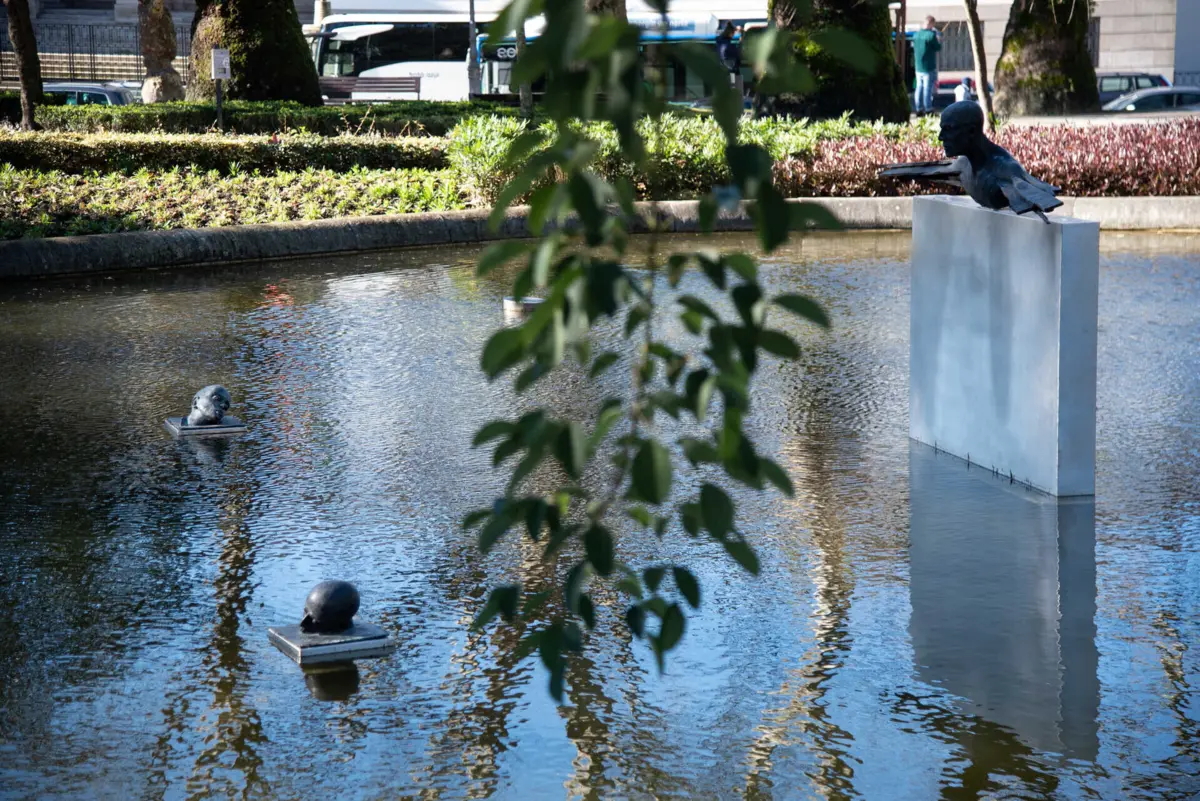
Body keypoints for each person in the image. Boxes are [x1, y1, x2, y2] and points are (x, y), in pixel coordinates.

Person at [912, 16, 942, 115]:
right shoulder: (931, 35)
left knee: (919, 88)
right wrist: (938, 38)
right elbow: (938, 47)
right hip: (928, 67)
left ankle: (918, 108)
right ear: (931, 23)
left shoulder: (916, 35)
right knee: (927, 88)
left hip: (918, 67)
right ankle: (928, 108)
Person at [716, 22, 743, 98]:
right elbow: (738, 55)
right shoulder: (728, 46)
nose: (734, 35)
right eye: (733, 33)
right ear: (730, 33)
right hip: (731, 74)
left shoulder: (720, 43)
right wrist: (741, 41)